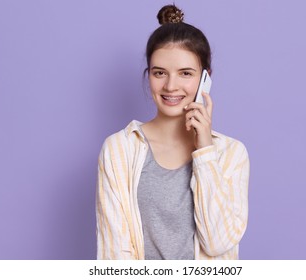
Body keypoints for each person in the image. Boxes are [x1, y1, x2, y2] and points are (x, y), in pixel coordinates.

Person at [96, 4, 250, 260]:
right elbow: (114, 255)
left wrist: (204, 152)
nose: (170, 86)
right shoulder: (119, 149)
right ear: (149, 75)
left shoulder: (231, 154)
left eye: (185, 73)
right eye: (160, 73)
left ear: (205, 78)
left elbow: (217, 243)